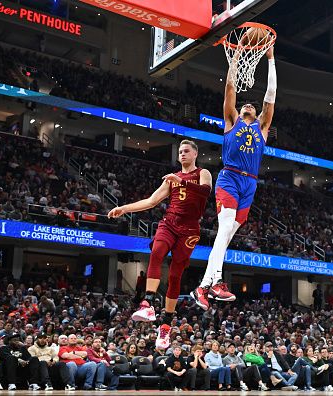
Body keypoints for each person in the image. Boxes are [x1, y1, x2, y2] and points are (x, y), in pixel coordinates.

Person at [190, 43, 277, 310]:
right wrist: (237, 56)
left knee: (225, 238)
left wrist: (271, 60)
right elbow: (229, 88)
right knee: (224, 229)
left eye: (252, 105)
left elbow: (271, 95)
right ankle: (214, 282)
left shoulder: (262, 127)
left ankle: (203, 287)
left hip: (249, 184)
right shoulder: (232, 121)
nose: (248, 105)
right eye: (245, 104)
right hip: (229, 178)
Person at [109, 140, 212, 349]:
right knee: (156, 251)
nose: (182, 154)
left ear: (195, 154)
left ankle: (165, 326)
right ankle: (147, 304)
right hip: (169, 223)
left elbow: (205, 192)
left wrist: (180, 182)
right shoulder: (171, 179)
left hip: (190, 230)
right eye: (180, 152)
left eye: (186, 151)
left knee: (175, 276)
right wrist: (124, 208)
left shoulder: (203, 173)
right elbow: (151, 201)